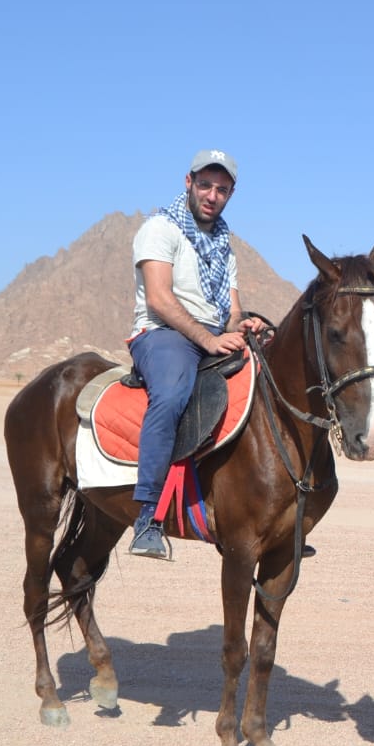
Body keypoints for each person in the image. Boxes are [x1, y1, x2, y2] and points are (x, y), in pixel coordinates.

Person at [126, 149, 267, 558]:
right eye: (205, 185)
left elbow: (231, 311)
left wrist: (241, 327)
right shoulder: (160, 229)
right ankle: (148, 516)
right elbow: (159, 298)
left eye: (222, 189)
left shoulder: (224, 245)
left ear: (231, 193)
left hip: (210, 334)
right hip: (163, 333)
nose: (212, 195)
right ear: (188, 182)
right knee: (172, 394)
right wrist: (207, 341)